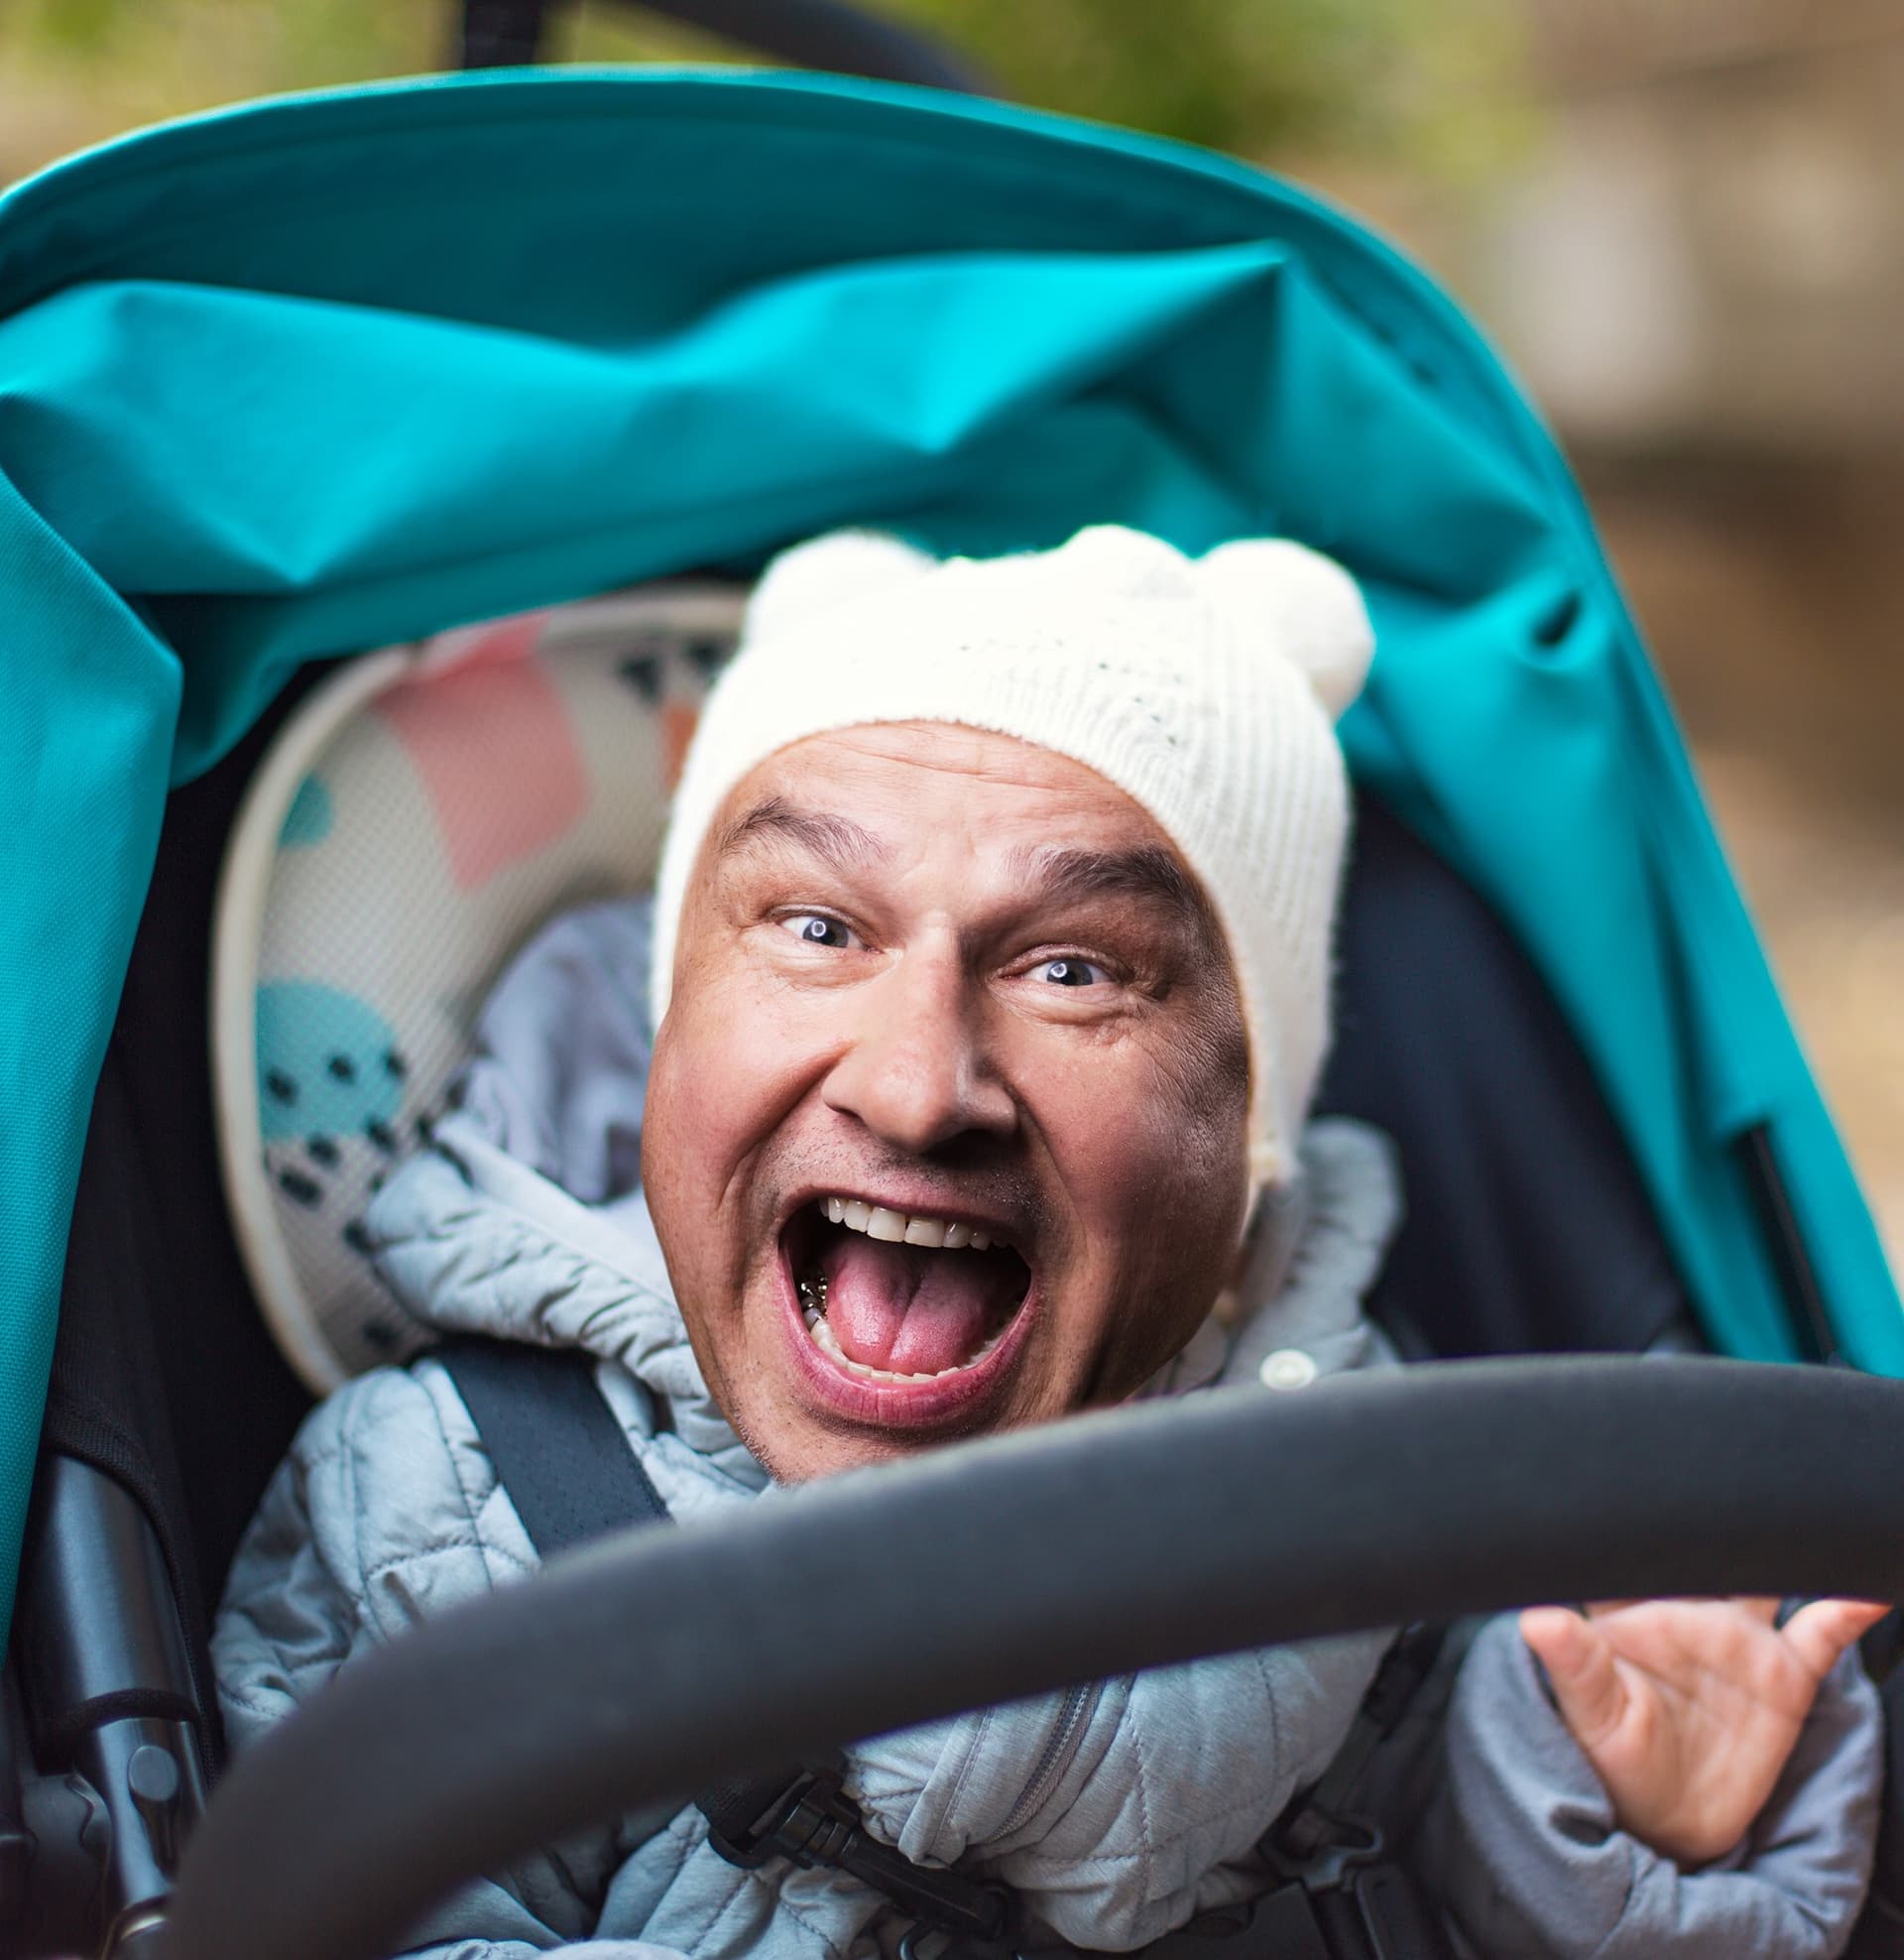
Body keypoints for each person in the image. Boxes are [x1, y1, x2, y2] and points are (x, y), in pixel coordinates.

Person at [214, 525, 1886, 1959]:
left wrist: (1616, 1823)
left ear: (1251, 1132)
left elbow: (1451, 1885)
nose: (915, 1083)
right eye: (817, 927)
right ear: (666, 1039)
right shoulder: (446, 1517)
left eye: (1074, 969)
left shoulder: (1394, 1512)